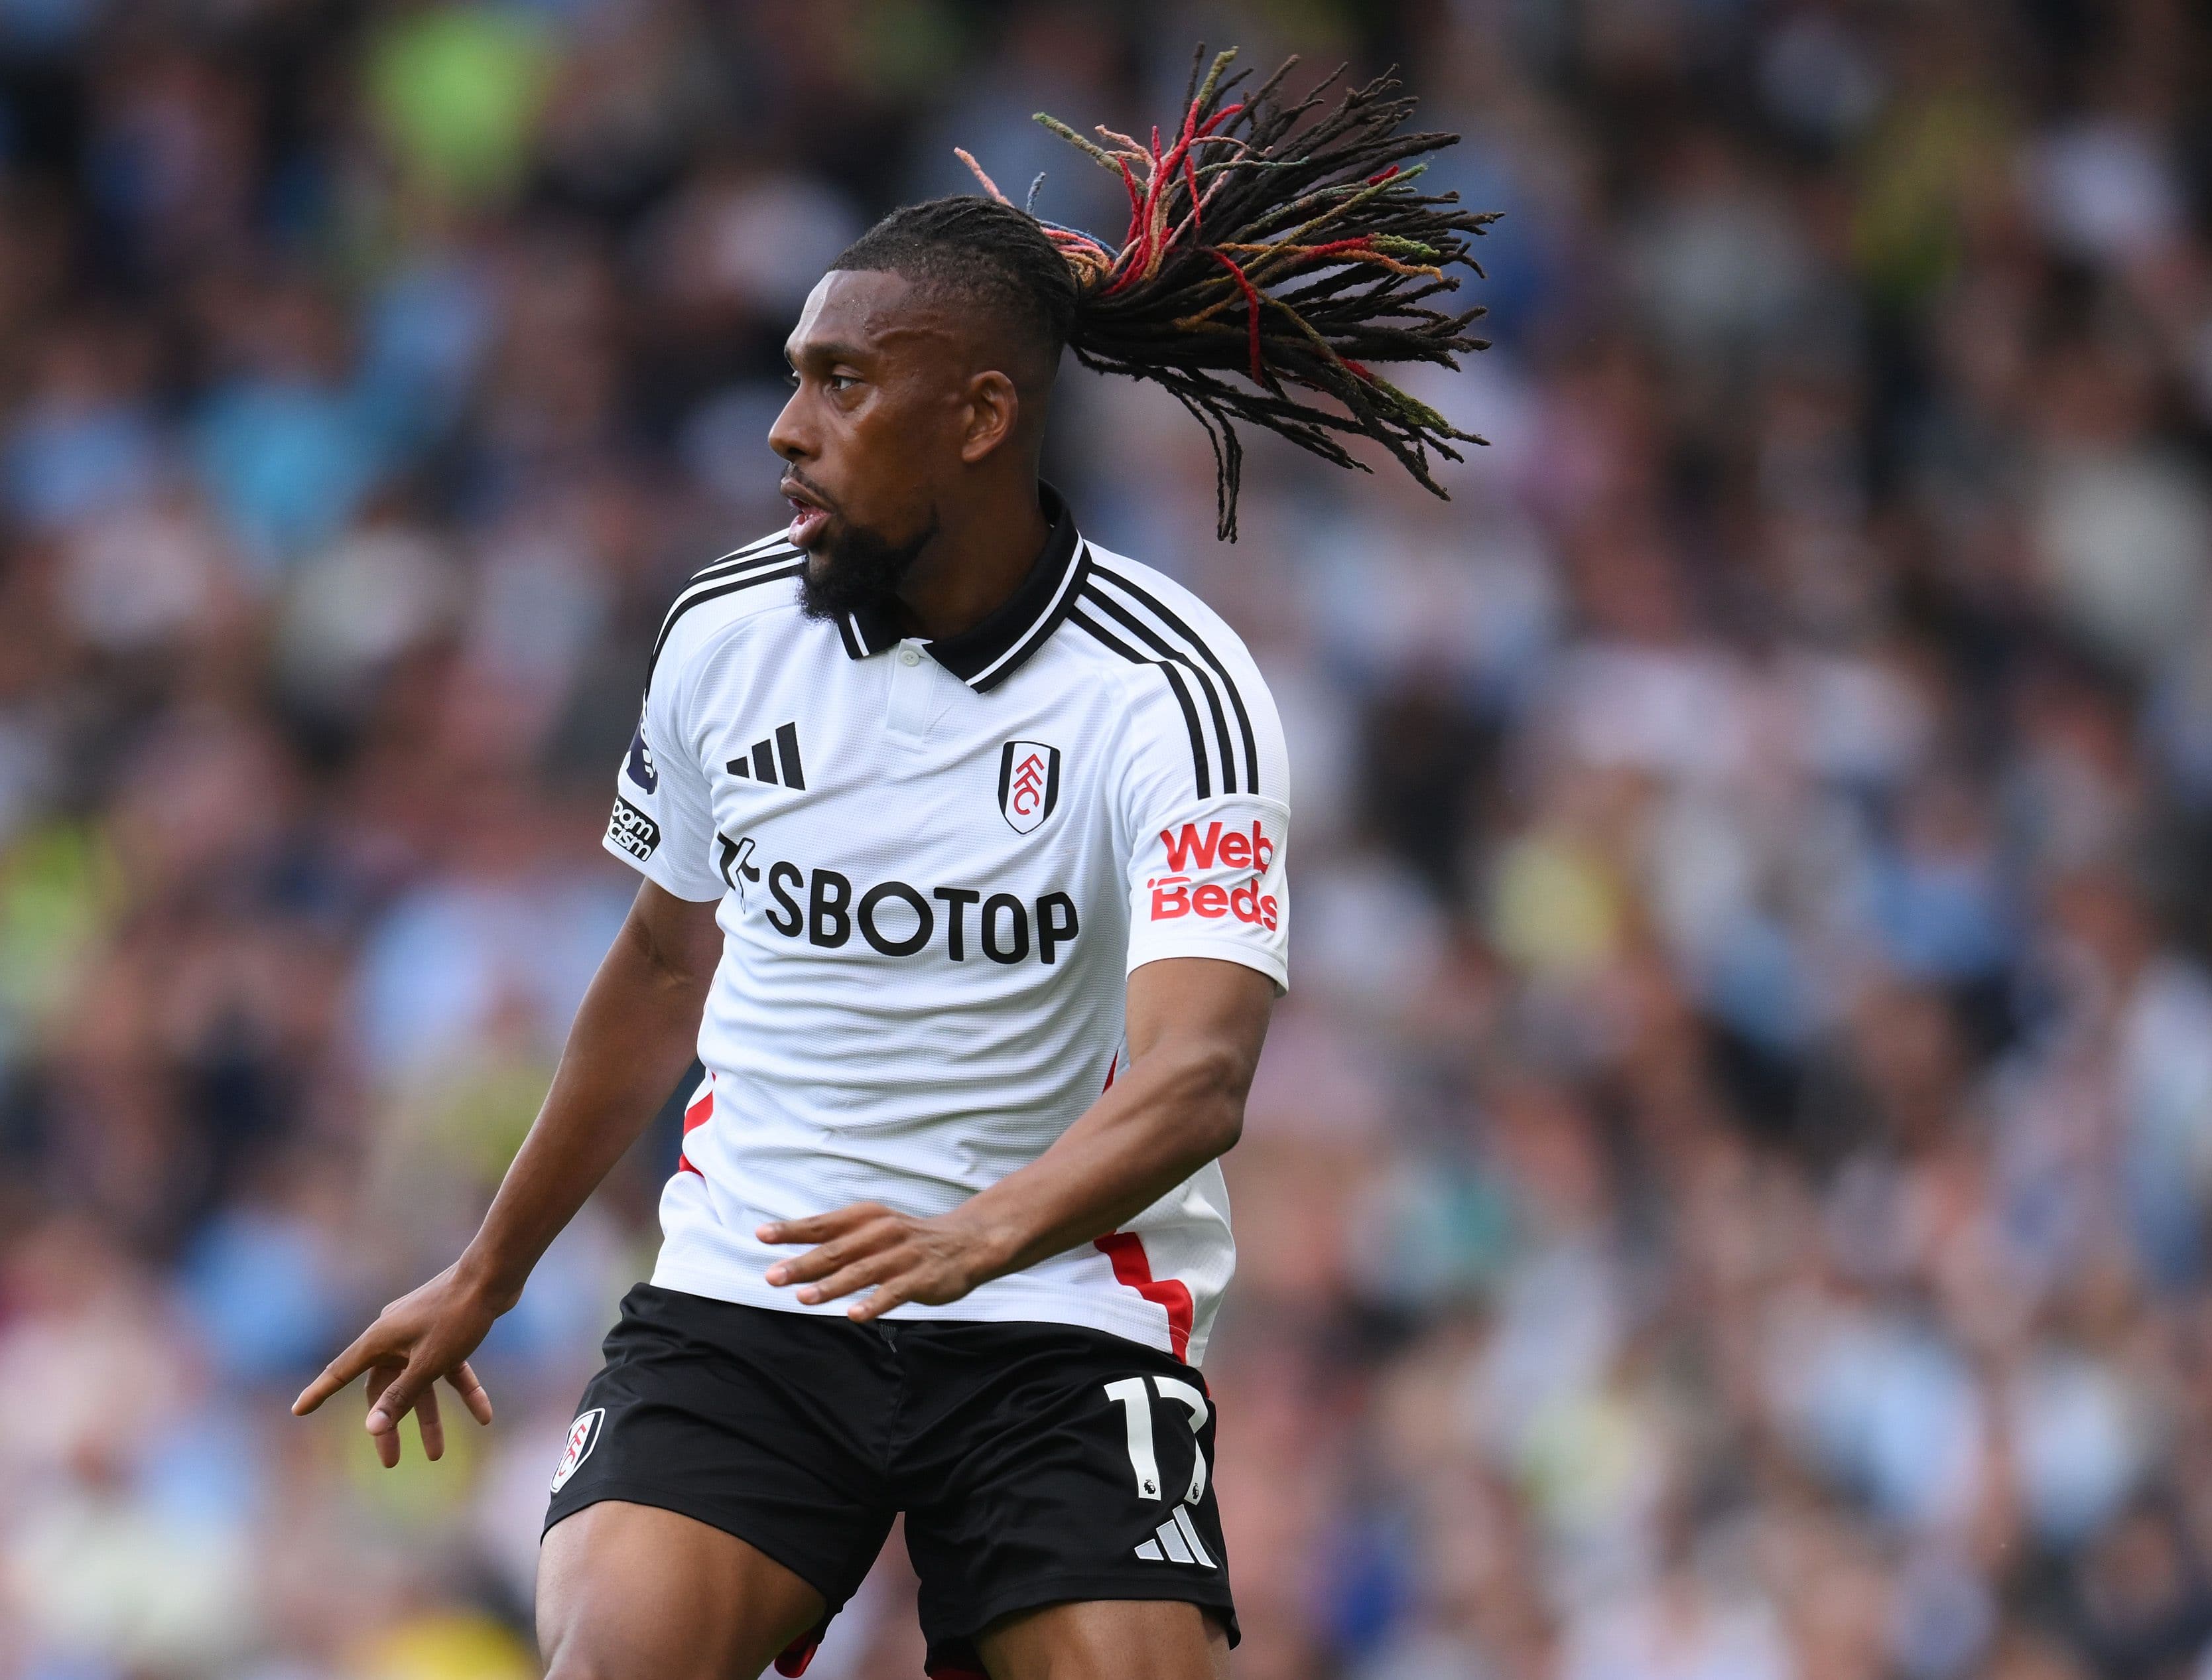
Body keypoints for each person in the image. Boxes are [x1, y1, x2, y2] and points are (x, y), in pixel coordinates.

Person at [293, 50, 1494, 1680]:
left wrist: (975, 1238)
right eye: (795, 376)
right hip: (758, 1289)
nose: (785, 428)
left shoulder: (1172, 692)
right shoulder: (725, 634)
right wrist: (489, 1269)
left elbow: (1200, 1080)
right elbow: (659, 966)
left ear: (981, 415)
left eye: (841, 384)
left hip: (1056, 1313)